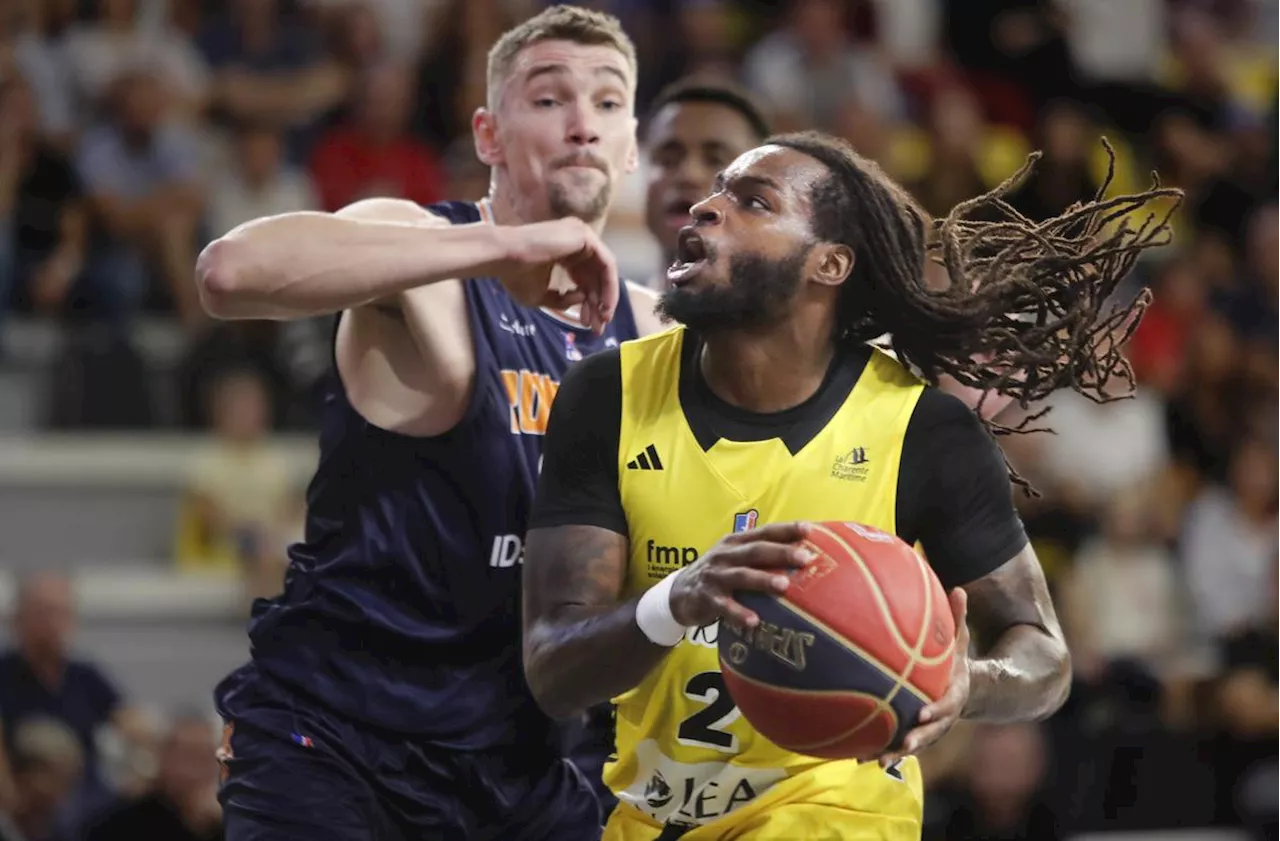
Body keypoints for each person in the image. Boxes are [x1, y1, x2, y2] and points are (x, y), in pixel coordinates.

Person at [522, 131, 1179, 839]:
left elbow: (1045, 656)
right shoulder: (608, 396)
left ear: (829, 263)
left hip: (840, 815)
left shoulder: (921, 429)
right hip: (652, 818)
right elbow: (554, 672)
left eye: (751, 200)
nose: (705, 207)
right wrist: (674, 600)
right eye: (715, 192)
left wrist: (969, 684)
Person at [195, 6, 665, 839]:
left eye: (607, 102)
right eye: (550, 99)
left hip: (529, 763)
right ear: (487, 133)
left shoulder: (655, 335)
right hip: (339, 741)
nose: (582, 125)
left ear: (631, 145)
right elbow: (230, 273)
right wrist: (497, 248)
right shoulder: (424, 252)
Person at [641, 77, 770, 288]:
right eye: (668, 160)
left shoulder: (795, 319)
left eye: (715, 160)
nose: (688, 175)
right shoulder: (598, 315)